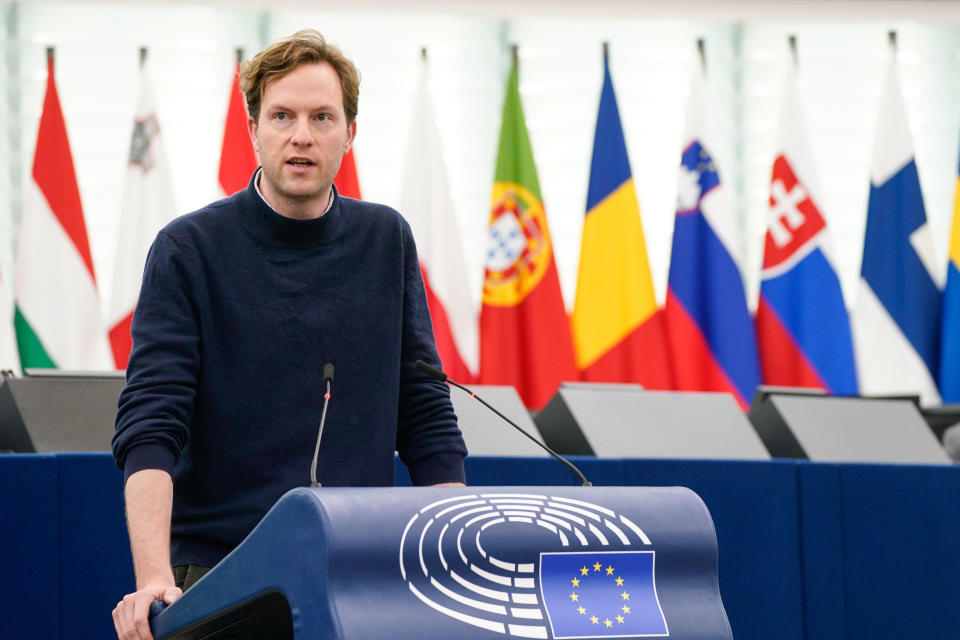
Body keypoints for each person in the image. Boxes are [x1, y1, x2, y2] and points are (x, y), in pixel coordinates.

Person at [111, 29, 467, 640]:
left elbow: (426, 415)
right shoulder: (188, 249)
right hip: (221, 578)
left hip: (360, 574)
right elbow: (150, 426)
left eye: (322, 117)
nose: (302, 135)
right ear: (254, 129)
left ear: (349, 133)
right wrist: (152, 579)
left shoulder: (387, 240)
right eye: (282, 115)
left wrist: (463, 558)